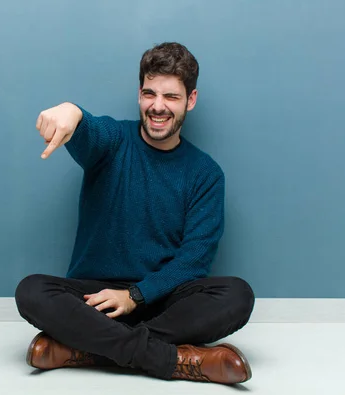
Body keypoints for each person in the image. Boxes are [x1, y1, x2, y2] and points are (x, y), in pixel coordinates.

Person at [14, 42, 255, 385]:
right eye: (149, 93)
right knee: (31, 291)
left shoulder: (205, 173)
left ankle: (84, 348)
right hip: (94, 299)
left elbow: (193, 262)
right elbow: (88, 132)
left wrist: (134, 297)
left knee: (238, 296)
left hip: (162, 298)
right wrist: (71, 111)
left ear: (191, 100)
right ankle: (173, 359)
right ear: (139, 94)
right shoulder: (114, 141)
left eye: (171, 96)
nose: (158, 106)